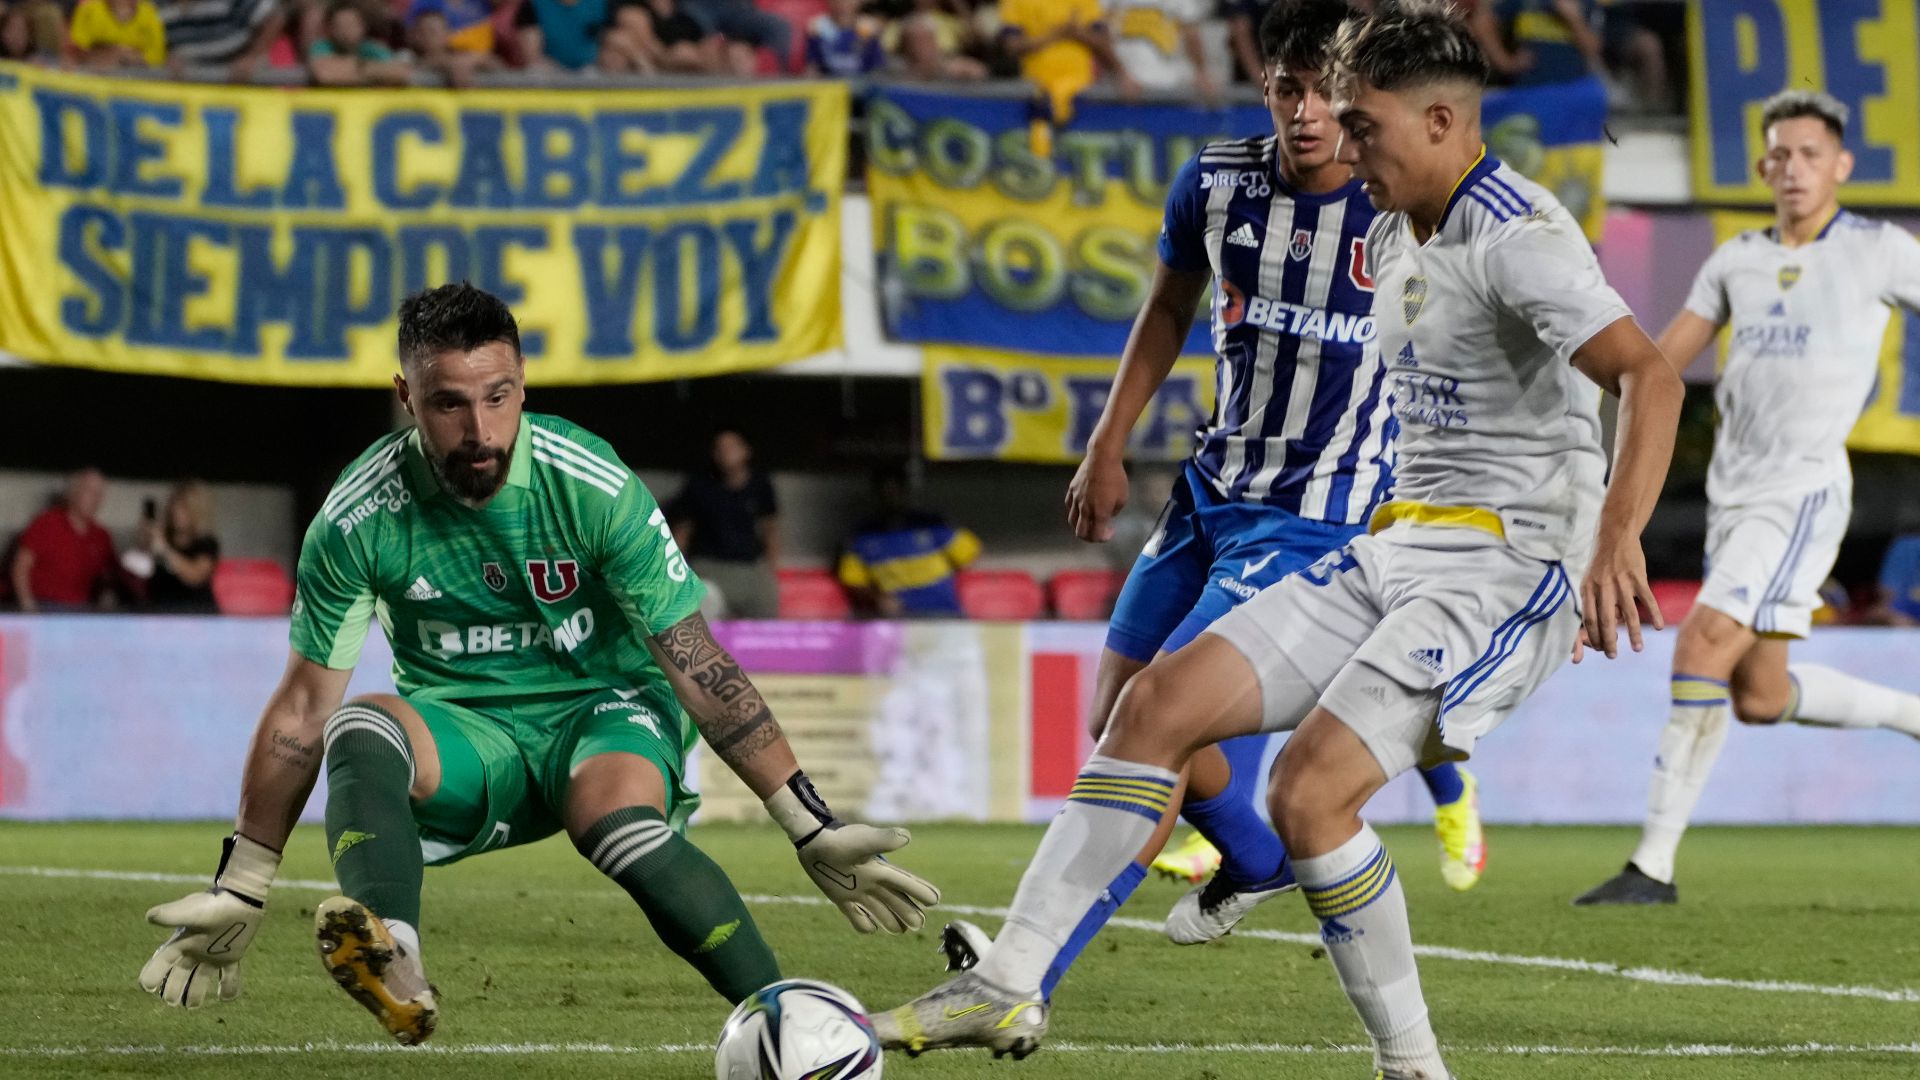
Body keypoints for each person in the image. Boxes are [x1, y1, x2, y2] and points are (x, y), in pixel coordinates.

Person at [872, 3, 1682, 1073]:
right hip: (1391, 544)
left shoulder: (1520, 239)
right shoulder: (1396, 222)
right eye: (1331, 117)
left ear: (1442, 121)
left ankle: (1414, 1067)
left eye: (1365, 126)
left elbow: (1649, 374)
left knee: (1308, 793)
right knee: (1151, 709)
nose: (1344, 146)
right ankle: (1005, 982)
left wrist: (1617, 537)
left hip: (1502, 569)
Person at [137, 284, 940, 1042]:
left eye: (498, 396)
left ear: (523, 385)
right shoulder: (359, 517)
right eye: (449, 403)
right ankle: (396, 954)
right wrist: (243, 881)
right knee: (357, 725)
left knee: (611, 820)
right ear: (407, 397)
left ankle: (789, 1017)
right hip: (468, 736)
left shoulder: (589, 486)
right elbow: (303, 709)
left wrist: (808, 822)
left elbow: (696, 661)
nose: (480, 430)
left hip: (605, 710)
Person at [1006, 3, 1493, 1002]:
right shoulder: (1218, 181)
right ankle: (1260, 859)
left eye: (1327, 91)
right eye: (1287, 87)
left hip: (1321, 513)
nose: (1306, 113)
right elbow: (1169, 306)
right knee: (1117, 715)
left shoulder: (1399, 197)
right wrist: (1106, 442)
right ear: (1264, 83)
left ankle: (1024, 979)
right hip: (1209, 490)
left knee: (1166, 721)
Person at [1574, 91, 1920, 908]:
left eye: (1810, 154)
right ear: (1764, 166)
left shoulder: (1877, 250)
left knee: (1701, 645)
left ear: (1841, 166)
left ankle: (1651, 867)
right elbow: (1657, 367)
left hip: (1800, 490)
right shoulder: (1736, 259)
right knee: (1761, 696)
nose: (1793, 168)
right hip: (1736, 496)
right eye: (1781, 154)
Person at [666, 429, 782, 619]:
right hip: (708, 567)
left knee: (767, 608)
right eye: (719, 449)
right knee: (703, 606)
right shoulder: (699, 484)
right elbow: (682, 531)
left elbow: (771, 529)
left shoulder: (761, 483)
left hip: (750, 568)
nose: (725, 453)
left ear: (746, 450)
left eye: (731, 447)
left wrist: (771, 571)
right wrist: (676, 574)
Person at [837, 465, 980, 619]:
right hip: (901, 620)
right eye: (885, 491)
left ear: (905, 491)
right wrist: (879, 598)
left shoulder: (931, 523)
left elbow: (969, 556)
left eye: (896, 490)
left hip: (945, 614)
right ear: (876, 494)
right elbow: (853, 580)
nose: (891, 496)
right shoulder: (862, 535)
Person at [999, 0, 1134, 155]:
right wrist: (1055, 35)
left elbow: (1103, 41)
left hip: (1084, 91)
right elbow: (1012, 46)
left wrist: (1121, 72)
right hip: (1038, 88)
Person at [10, 469, 117, 613]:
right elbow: (20, 569)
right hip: (45, 608)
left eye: (99, 493)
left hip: (83, 611)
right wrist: (29, 609)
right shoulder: (47, 523)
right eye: (90, 491)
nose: (95, 498)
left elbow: (112, 577)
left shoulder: (102, 536)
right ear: (73, 493)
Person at [1104, 0, 1218, 104]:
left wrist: (1201, 73)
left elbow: (1191, 34)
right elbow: (1098, 30)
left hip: (1166, 81)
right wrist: (1120, 73)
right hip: (1122, 84)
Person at [137, 481, 222, 613]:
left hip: (196, 613)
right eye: (174, 506)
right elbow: (140, 564)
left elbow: (195, 576)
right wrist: (147, 537)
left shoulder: (206, 542)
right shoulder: (163, 537)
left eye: (184, 508)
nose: (177, 513)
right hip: (160, 612)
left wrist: (166, 550)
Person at [156, 0, 285, 82]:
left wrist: (252, 57)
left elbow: (274, 17)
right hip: (186, 88)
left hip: (239, 82)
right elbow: (143, 43)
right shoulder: (155, 6)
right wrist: (162, 58)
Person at [307, 0, 412, 84]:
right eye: (340, 26)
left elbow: (401, 73)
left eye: (351, 25)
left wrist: (358, 68)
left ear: (362, 27)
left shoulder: (372, 49)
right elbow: (325, 74)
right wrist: (372, 72)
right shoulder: (321, 46)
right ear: (331, 29)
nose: (345, 31)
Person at [69, 0, 168, 67]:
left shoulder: (149, 12)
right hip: (92, 75)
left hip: (136, 77)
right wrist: (111, 52)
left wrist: (127, 57)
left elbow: (157, 56)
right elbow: (75, 50)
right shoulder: (89, 8)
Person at [804, 0, 884, 78]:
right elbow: (812, 66)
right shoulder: (817, 28)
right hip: (828, 85)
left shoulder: (869, 29)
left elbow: (877, 69)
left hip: (862, 85)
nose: (844, 3)